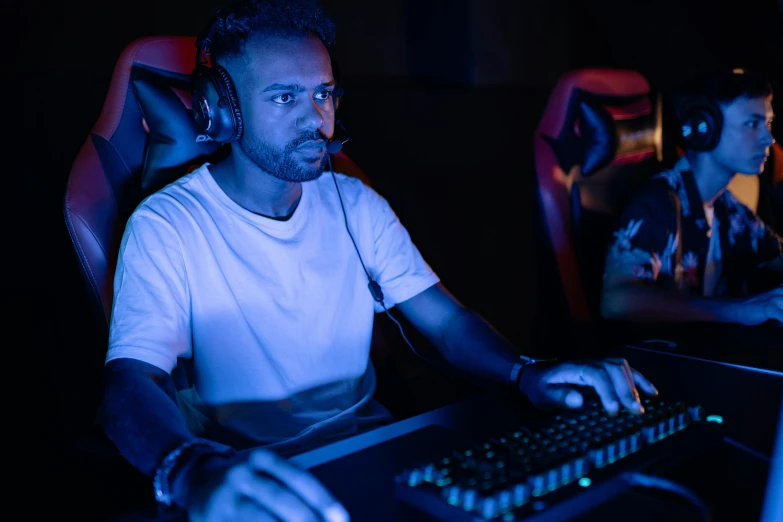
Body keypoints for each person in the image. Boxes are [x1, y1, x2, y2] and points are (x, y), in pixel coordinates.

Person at [100, 1, 658, 521]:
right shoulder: (167, 224)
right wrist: (190, 469)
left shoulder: (355, 201)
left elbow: (447, 321)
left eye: (323, 93)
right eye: (284, 98)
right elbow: (129, 382)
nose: (316, 118)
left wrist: (524, 372)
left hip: (379, 450)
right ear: (221, 110)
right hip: (259, 482)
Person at [601, 67, 783, 326]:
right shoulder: (658, 204)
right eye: (752, 124)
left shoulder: (730, 210)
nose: (768, 138)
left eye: (767, 124)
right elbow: (616, 301)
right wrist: (740, 310)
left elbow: (775, 255)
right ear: (702, 128)